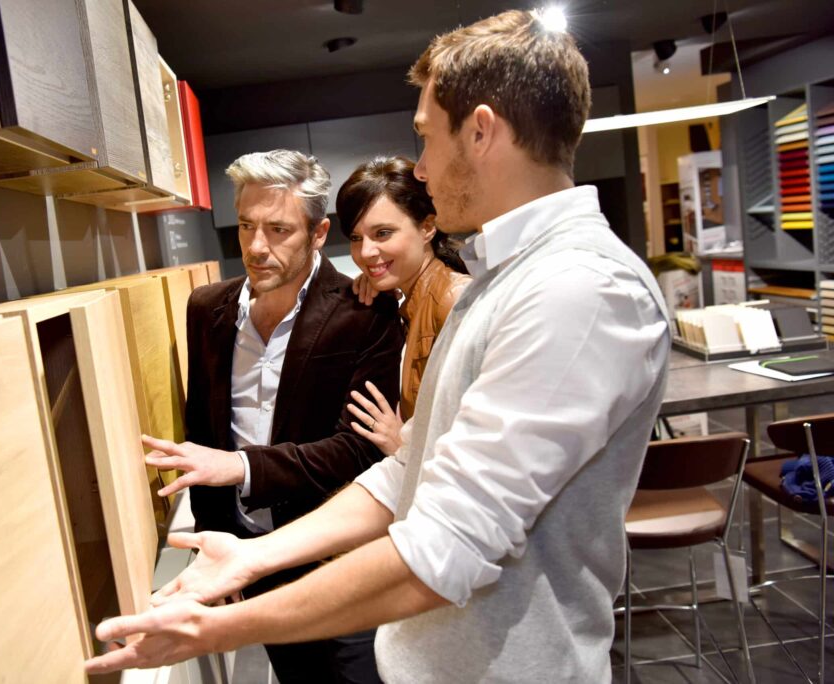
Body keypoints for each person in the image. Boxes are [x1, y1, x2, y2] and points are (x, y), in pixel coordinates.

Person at [86, 10, 670, 683]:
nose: (420, 169)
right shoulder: (506, 276)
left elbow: (446, 544)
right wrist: (256, 556)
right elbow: (409, 471)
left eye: (426, 138)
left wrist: (211, 627)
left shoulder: (579, 289)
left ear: (481, 132)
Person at [139, 148, 404, 683]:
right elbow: (203, 435)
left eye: (279, 229)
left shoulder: (366, 311)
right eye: (245, 226)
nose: (257, 248)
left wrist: (241, 468)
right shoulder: (205, 309)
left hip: (336, 562)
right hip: (244, 558)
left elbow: (358, 448)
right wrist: (222, 549)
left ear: (319, 231)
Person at [337, 155, 471, 456]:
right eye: (357, 238)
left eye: (383, 233)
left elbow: (476, 436)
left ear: (427, 227)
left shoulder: (453, 301)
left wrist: (404, 446)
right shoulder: (407, 300)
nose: (366, 251)